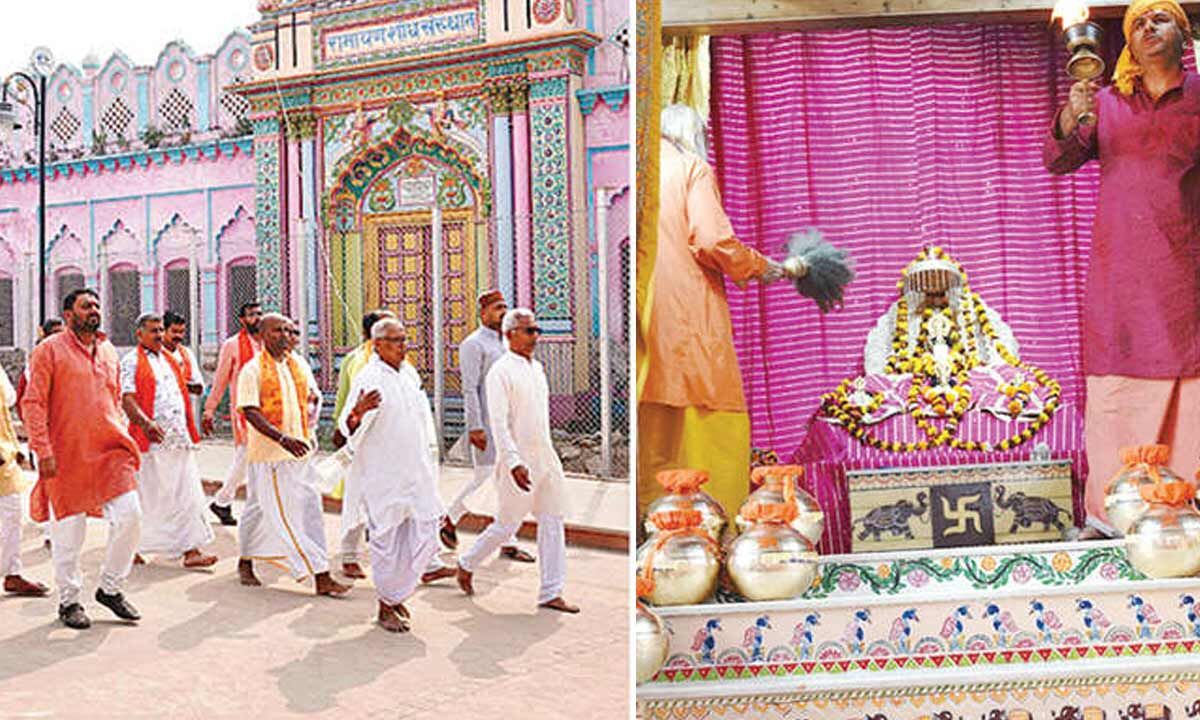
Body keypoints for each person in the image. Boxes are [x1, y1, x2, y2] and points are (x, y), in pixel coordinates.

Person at [1043, 0, 1200, 538]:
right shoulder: (1107, 103)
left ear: (1184, 34)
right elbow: (1059, 158)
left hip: (1188, 270)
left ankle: (1187, 510)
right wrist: (1072, 111)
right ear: (1126, 43)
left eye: (1159, 19)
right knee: (1114, 388)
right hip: (1121, 275)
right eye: (1137, 23)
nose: (1147, 28)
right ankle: (1109, 516)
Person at [638, 104, 802, 523]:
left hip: (646, 326)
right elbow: (711, 239)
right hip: (686, 325)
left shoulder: (642, 170)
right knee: (705, 430)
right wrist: (761, 267)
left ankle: (655, 537)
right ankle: (710, 535)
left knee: (653, 441)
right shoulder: (689, 168)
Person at [21, 288, 143, 629]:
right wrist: (42, 450)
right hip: (66, 453)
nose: (94, 310)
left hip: (110, 451)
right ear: (68, 313)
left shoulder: (107, 350)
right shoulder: (49, 350)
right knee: (68, 533)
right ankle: (69, 600)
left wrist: (123, 432)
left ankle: (110, 588)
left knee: (131, 515)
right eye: (86, 305)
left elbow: (115, 398)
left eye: (97, 305)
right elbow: (33, 404)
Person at [455, 309, 578, 613]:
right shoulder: (500, 372)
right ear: (510, 334)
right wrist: (512, 461)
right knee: (507, 525)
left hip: (546, 458)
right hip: (517, 461)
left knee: (552, 520)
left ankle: (551, 591)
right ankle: (467, 562)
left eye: (537, 330)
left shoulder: (537, 368)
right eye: (528, 331)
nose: (535, 336)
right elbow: (498, 422)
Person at [338, 318, 445, 632]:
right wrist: (356, 413)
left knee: (425, 533)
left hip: (417, 470)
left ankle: (396, 594)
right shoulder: (369, 376)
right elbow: (346, 426)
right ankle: (386, 605)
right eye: (395, 340)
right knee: (387, 542)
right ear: (377, 344)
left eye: (404, 339)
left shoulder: (409, 373)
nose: (403, 346)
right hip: (383, 475)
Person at [235, 313, 350, 597]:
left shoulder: (298, 363)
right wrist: (282, 438)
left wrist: (308, 420)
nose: (285, 336)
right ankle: (320, 574)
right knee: (286, 517)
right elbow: (250, 410)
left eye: (289, 330)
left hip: (300, 452)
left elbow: (312, 397)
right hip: (271, 456)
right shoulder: (253, 370)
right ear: (262, 335)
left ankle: (245, 558)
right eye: (277, 331)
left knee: (291, 510)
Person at [120, 314, 216, 569]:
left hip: (178, 439)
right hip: (149, 442)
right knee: (149, 497)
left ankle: (191, 550)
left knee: (187, 493)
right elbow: (127, 399)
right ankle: (131, 547)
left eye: (161, 330)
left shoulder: (171, 360)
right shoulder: (130, 362)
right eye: (153, 331)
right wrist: (146, 424)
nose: (159, 335)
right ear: (139, 334)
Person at [443, 290, 533, 563]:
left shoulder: (508, 344)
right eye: (496, 308)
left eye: (505, 307)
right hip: (488, 425)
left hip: (512, 425)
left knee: (507, 484)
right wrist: (475, 427)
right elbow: (470, 388)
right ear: (482, 313)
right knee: (484, 478)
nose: (502, 312)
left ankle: (508, 541)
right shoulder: (474, 344)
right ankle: (450, 518)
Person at [330, 309, 400, 579]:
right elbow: (347, 397)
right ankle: (349, 555)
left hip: (390, 441)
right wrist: (342, 430)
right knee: (356, 499)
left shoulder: (400, 364)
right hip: (363, 439)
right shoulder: (359, 362)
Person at [203, 301, 263, 526]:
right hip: (244, 412)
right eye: (251, 315)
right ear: (242, 320)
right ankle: (235, 504)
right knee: (248, 455)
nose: (256, 318)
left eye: (259, 314)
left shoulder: (269, 343)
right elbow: (220, 381)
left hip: (268, 410)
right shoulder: (233, 345)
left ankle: (223, 501)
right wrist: (209, 409)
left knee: (248, 459)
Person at [0, 363, 48, 596]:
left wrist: (14, 447)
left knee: (12, 514)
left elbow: (6, 406)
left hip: (4, 454)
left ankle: (12, 573)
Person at [16, 317, 64, 550]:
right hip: (43, 435)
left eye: (60, 332)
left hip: (65, 432)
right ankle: (50, 532)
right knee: (48, 482)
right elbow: (24, 400)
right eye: (53, 332)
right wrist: (33, 431)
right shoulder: (35, 363)